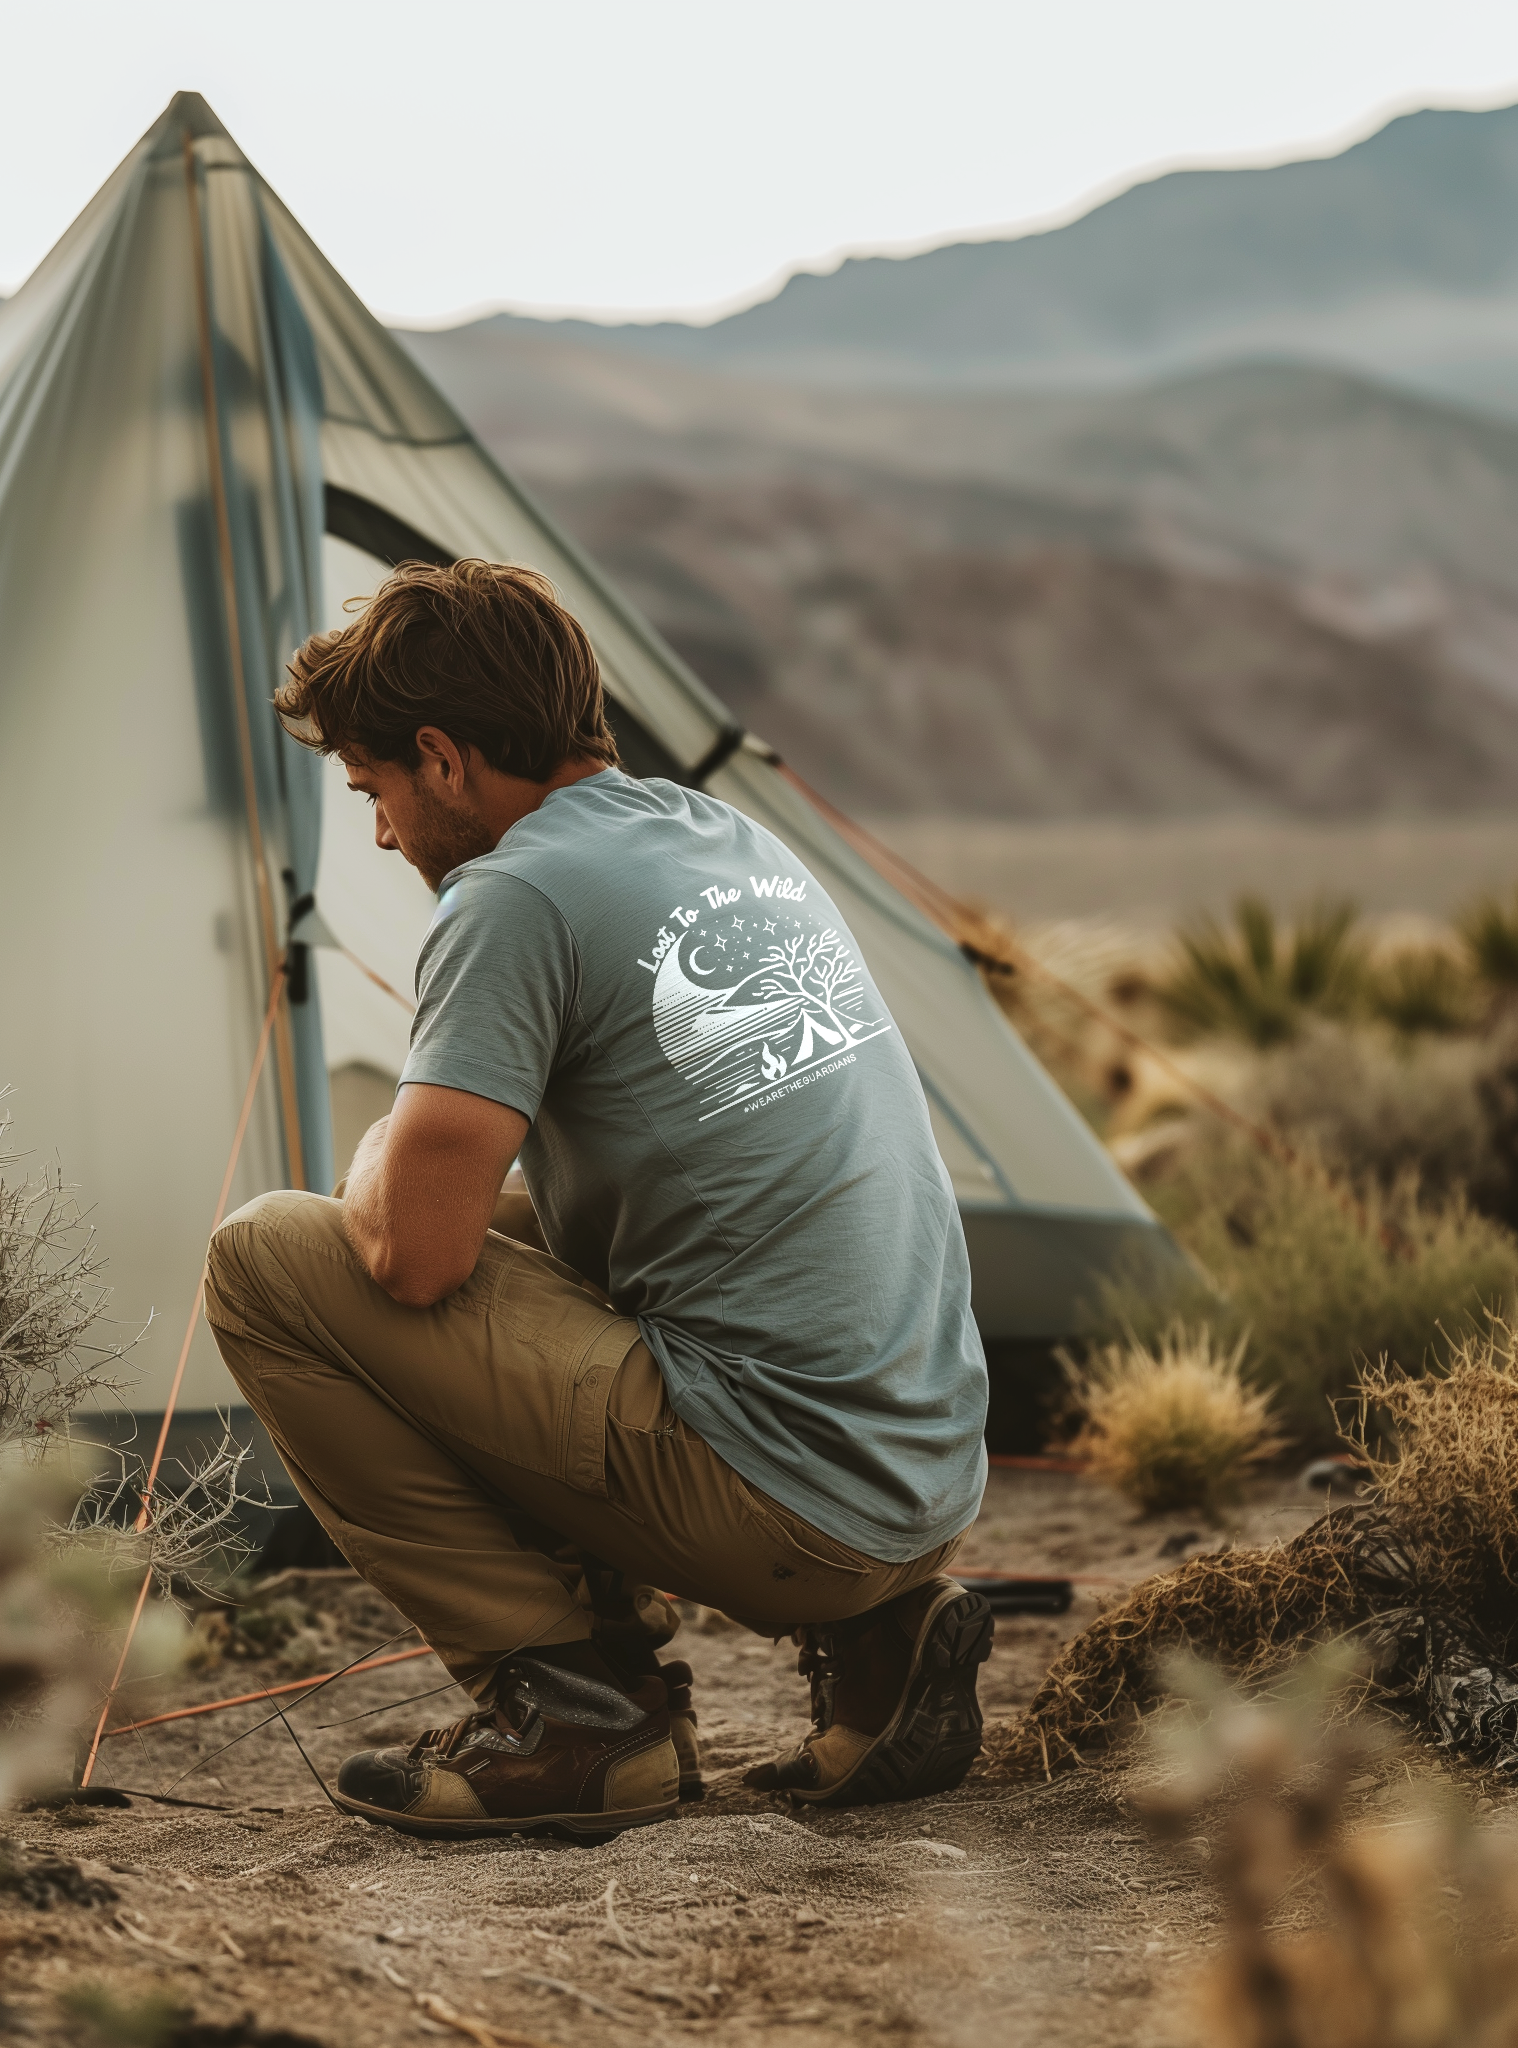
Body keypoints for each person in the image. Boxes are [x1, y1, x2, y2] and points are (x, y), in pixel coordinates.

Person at [204, 559, 990, 1840]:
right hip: (918, 1479)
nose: (386, 834)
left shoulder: (510, 893)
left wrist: (367, 1168)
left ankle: (573, 1712)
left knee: (271, 1258)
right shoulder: (719, 835)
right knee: (516, 1231)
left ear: (445, 760)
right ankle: (877, 1646)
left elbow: (409, 1258)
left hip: (784, 1497)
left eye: (376, 790)